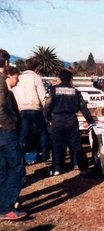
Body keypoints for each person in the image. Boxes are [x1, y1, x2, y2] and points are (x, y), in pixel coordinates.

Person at [44, 69, 94, 176]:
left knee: (56, 145)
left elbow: (47, 106)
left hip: (56, 119)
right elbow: (83, 108)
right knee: (76, 144)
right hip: (71, 120)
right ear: (71, 79)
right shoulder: (75, 91)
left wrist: (48, 118)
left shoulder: (54, 90)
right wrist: (90, 120)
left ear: (60, 78)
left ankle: (56, 169)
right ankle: (83, 168)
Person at [0, 49, 27, 220]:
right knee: (17, 167)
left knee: (2, 169)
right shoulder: (1, 83)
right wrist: (11, 123)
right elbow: (1, 108)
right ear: (5, 63)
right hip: (5, 131)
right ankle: (6, 206)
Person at [12, 57, 50, 164]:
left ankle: (21, 158)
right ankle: (45, 156)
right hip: (35, 109)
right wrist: (45, 110)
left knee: (23, 134)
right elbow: (42, 96)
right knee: (43, 132)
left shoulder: (19, 78)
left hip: (22, 109)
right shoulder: (36, 78)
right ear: (36, 68)